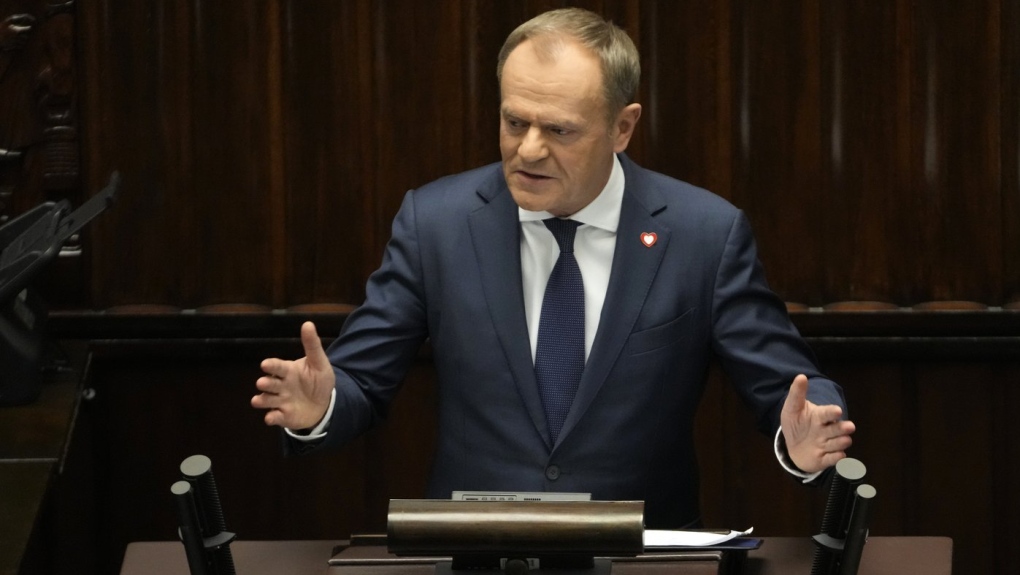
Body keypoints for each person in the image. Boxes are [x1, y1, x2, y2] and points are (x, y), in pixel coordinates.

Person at [251, 7, 855, 529]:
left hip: (641, 555)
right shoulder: (436, 222)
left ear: (623, 127)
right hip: (475, 553)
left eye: (560, 130)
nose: (529, 149)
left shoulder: (703, 234)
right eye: (515, 122)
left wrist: (808, 431)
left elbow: (791, 387)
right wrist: (321, 408)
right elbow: (360, 380)